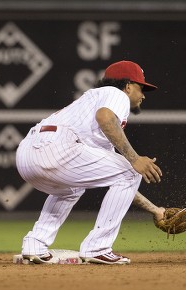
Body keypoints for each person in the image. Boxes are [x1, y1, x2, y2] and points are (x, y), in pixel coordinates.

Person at [16, 60, 164, 264]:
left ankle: (35, 245)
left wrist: (154, 209)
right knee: (130, 170)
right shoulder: (116, 94)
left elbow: (119, 180)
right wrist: (135, 159)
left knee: (72, 188)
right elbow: (105, 117)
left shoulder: (92, 102)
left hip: (26, 154)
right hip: (58, 147)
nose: (143, 95)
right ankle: (98, 248)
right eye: (141, 88)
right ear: (128, 86)